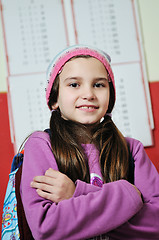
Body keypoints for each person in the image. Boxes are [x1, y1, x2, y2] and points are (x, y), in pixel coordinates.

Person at [20, 45, 159, 240]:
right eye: (74, 85)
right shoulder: (42, 145)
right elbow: (46, 226)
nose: (89, 94)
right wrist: (126, 195)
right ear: (54, 100)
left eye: (99, 85)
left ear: (110, 97)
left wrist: (76, 194)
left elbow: (156, 224)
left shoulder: (131, 149)